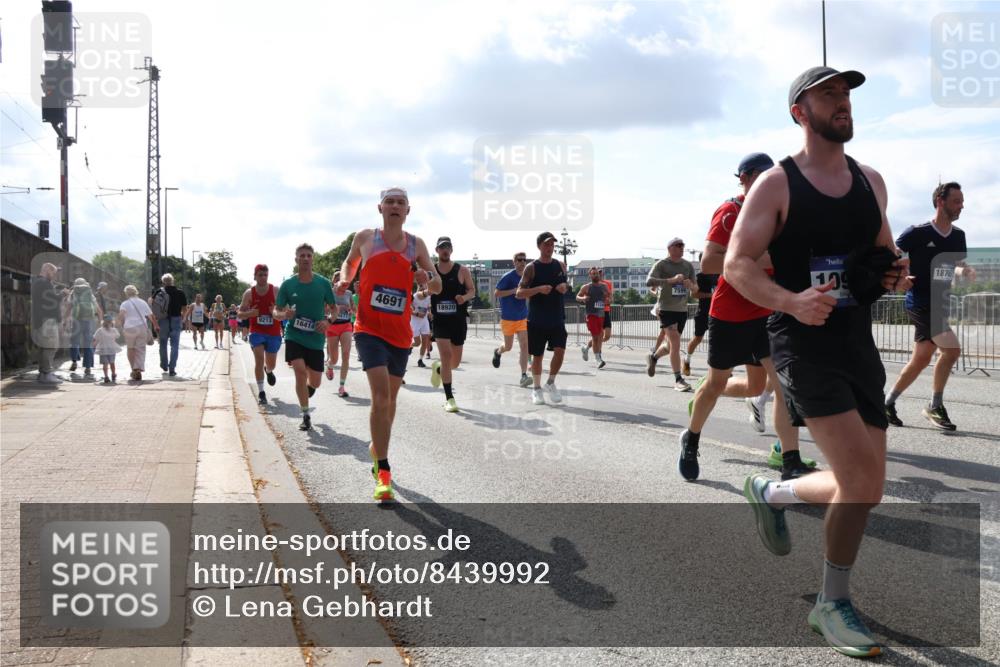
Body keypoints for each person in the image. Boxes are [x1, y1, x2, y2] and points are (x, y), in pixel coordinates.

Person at [725, 66, 911, 658]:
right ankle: (831, 604)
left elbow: (885, 249)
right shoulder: (777, 185)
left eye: (847, 94)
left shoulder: (870, 181)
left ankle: (772, 491)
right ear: (799, 112)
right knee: (860, 482)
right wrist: (790, 301)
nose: (843, 103)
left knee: (868, 487)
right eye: (828, 94)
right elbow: (737, 264)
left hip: (857, 340)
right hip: (803, 343)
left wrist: (893, 269)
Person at [678, 152, 816, 482]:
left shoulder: (780, 213)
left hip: (768, 312)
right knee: (716, 384)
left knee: (779, 386)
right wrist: (764, 256)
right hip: (731, 313)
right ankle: (691, 439)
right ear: (746, 178)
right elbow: (709, 263)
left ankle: (790, 459)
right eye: (763, 176)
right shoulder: (730, 212)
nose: (772, 183)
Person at [337, 187, 441, 503]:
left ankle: (376, 447)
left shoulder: (416, 245)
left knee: (390, 402)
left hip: (399, 333)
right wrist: (345, 279)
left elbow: (437, 284)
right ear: (380, 208)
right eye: (390, 202)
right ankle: (383, 474)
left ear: (408, 210)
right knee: (380, 396)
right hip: (368, 329)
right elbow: (349, 263)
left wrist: (426, 277)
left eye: (401, 203)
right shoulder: (366, 238)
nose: (395, 206)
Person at [885, 181, 974, 431]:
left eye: (962, 201)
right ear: (940, 202)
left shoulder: (958, 236)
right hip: (920, 300)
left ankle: (887, 402)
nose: (962, 206)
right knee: (952, 349)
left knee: (922, 358)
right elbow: (891, 254)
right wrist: (899, 277)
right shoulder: (917, 232)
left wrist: (963, 270)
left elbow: (950, 266)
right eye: (957, 201)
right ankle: (935, 406)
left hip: (940, 302)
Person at [275, 244, 337, 431]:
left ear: (313, 258)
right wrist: (283, 315)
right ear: (296, 260)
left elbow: (334, 309)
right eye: (302, 255)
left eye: (309, 255)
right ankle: (305, 414)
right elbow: (276, 310)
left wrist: (328, 321)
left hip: (316, 339)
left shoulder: (323, 283)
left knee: (315, 382)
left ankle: (308, 391)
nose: (305, 258)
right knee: (300, 371)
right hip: (294, 335)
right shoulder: (288, 285)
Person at [516, 231, 569, 405]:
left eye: (552, 244)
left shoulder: (560, 265)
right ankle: (537, 389)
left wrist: (564, 287)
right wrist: (538, 289)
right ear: (539, 246)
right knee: (537, 357)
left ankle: (551, 382)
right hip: (537, 319)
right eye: (546, 244)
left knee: (560, 352)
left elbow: (565, 285)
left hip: (557, 318)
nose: (550, 247)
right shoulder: (532, 267)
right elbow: (519, 293)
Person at [429, 236, 475, 413]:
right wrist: (425, 294)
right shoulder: (431, 271)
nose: (445, 250)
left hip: (458, 321)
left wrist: (463, 297)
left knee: (454, 363)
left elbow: (472, 290)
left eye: (447, 247)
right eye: (442, 247)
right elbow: (423, 291)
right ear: (437, 251)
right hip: (440, 321)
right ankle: (449, 398)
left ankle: (439, 368)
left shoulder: (462, 270)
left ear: (452, 250)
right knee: (446, 356)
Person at [646, 239, 697, 391]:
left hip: (681, 310)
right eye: (679, 246)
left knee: (669, 346)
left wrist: (691, 286)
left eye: (683, 246)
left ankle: (653, 357)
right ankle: (678, 379)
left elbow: (695, 288)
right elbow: (649, 282)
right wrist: (671, 280)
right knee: (675, 342)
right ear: (670, 248)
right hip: (666, 308)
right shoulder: (661, 264)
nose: (682, 248)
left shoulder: (688, 265)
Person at [238, 265, 281, 406]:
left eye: (265, 275)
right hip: (256, 331)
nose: (263, 277)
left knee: (271, 364)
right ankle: (262, 392)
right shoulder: (249, 293)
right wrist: (249, 314)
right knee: (258, 359)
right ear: (255, 276)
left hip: (273, 332)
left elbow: (285, 310)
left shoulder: (275, 290)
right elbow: (239, 314)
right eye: (260, 275)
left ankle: (268, 371)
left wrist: (275, 311)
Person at [491, 252, 531, 387]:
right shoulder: (508, 277)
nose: (522, 262)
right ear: (514, 262)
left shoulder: (526, 278)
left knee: (524, 346)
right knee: (508, 347)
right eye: (519, 260)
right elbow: (496, 293)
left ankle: (523, 375)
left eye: (524, 260)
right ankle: (498, 351)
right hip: (508, 318)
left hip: (521, 317)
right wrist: (513, 291)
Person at [31, 262, 65, 384]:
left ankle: (43, 373)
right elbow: (52, 301)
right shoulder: (44, 283)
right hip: (47, 320)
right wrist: (62, 294)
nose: (55, 276)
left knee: (44, 347)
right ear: (47, 270)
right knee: (51, 346)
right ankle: (46, 373)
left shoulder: (38, 283)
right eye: (54, 273)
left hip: (42, 319)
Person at [118, 284, 160, 382]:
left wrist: (117, 325)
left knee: (131, 349)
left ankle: (133, 369)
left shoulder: (125, 303)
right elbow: (151, 315)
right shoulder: (142, 302)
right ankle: (138, 368)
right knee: (141, 349)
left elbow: (121, 316)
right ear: (136, 292)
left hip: (129, 329)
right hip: (141, 328)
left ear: (126, 293)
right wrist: (156, 325)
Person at [325, 270, 355, 398]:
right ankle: (330, 366)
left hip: (346, 325)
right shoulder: (329, 292)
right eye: (337, 279)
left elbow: (354, 309)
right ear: (333, 281)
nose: (340, 281)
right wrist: (336, 308)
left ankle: (342, 386)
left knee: (346, 355)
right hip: (332, 326)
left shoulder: (349, 293)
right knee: (335, 359)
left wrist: (351, 310)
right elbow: (324, 308)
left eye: (341, 278)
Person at [683, 269, 717, 376]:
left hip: (717, 313)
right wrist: (711, 295)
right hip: (703, 313)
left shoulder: (719, 274)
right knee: (698, 338)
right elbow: (693, 294)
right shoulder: (699, 276)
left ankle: (719, 369)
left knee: (718, 340)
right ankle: (686, 360)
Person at [154, 273, 188, 377]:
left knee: (163, 343)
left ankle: (164, 364)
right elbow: (184, 308)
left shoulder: (159, 292)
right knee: (175, 345)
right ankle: (172, 368)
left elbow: (154, 306)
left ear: (163, 282)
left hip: (163, 320)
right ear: (172, 281)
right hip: (176, 319)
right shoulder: (180, 292)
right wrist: (182, 317)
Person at [577, 266, 608, 369]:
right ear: (590, 275)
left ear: (599, 275)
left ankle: (586, 349)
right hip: (591, 314)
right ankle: (598, 359)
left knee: (600, 336)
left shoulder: (604, 286)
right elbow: (577, 297)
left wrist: (609, 300)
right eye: (593, 273)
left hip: (601, 314)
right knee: (596, 337)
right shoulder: (586, 287)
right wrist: (583, 298)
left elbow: (610, 296)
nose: (595, 275)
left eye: (597, 273)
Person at [69, 277, 101, 376]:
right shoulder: (89, 294)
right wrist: (100, 320)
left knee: (74, 341)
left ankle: (74, 361)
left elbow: (69, 307)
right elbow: (97, 308)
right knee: (88, 343)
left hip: (76, 320)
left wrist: (66, 319)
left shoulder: (73, 293)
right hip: (89, 320)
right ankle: (87, 367)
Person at [584, 267, 614, 359]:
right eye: (597, 273)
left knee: (607, 336)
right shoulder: (590, 286)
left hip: (606, 311)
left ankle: (587, 347)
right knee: (598, 335)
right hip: (595, 313)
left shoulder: (607, 284)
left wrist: (609, 300)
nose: (599, 274)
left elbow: (611, 296)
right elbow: (586, 297)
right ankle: (598, 355)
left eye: (600, 273)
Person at [92, 313, 121, 383]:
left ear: (103, 322)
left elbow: (95, 338)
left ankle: (106, 376)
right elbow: (117, 337)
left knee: (105, 364)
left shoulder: (100, 330)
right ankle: (113, 374)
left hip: (103, 349)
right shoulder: (114, 330)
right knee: (112, 363)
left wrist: (94, 345)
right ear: (112, 322)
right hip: (112, 349)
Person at [411, 278, 433, 368]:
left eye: (424, 284)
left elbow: (427, 306)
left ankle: (420, 360)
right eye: (421, 285)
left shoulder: (428, 297)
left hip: (424, 321)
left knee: (425, 340)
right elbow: (407, 310)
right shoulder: (415, 296)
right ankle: (408, 346)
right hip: (415, 321)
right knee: (417, 343)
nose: (423, 286)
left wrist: (430, 312)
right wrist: (416, 313)